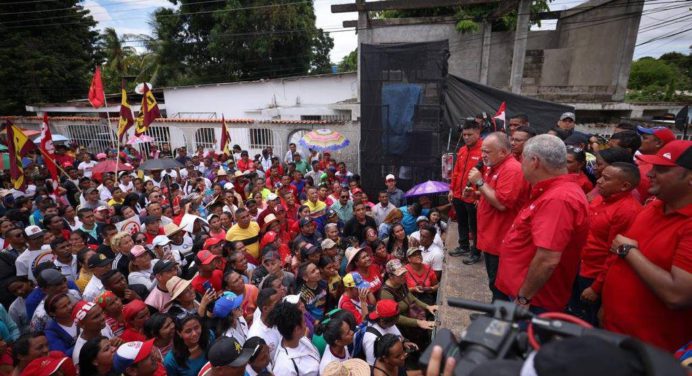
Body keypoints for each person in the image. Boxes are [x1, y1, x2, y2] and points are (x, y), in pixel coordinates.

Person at [601, 140, 692, 351]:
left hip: (651, 350)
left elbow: (678, 295)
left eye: (661, 169)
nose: (650, 174)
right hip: (615, 333)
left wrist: (628, 251)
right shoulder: (653, 206)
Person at [495, 135, 589, 313]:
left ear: (534, 161)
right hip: (522, 292)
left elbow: (548, 259)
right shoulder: (552, 191)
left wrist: (524, 297)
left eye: (522, 159)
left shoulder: (558, 199)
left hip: (534, 302)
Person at [569, 162, 642, 326]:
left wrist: (596, 287)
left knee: (589, 321)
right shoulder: (600, 199)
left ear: (624, 186)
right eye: (601, 176)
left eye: (606, 178)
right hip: (580, 266)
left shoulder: (627, 211)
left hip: (595, 275)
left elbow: (615, 254)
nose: (599, 181)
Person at [467, 132, 526, 295]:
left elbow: (501, 204)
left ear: (502, 152)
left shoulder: (512, 169)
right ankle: (494, 314)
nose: (483, 155)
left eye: (487, 151)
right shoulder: (494, 166)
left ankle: (497, 317)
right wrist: (477, 194)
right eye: (483, 151)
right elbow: (494, 193)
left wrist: (479, 182)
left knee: (499, 284)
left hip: (501, 238)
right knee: (494, 281)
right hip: (491, 235)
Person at [448, 120, 482, 258]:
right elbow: (456, 171)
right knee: (461, 222)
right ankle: (463, 246)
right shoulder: (462, 150)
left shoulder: (484, 150)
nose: (466, 137)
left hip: (473, 195)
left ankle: (476, 252)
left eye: (469, 134)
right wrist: (452, 190)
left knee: (474, 226)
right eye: (464, 134)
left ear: (478, 132)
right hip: (458, 194)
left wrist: (480, 196)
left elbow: (486, 175)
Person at [270, 301, 320, 376]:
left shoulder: (300, 339)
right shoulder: (285, 369)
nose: (306, 324)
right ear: (297, 329)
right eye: (304, 322)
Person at [635, 126, 676, 203]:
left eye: (644, 138)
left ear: (659, 143)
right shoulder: (640, 161)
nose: (640, 141)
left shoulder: (651, 169)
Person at [71, 301, 117, 366]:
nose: (103, 317)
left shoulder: (103, 325)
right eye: (96, 317)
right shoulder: (79, 353)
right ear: (82, 325)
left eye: (102, 312)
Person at [246, 288, 282, 360]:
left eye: (280, 301)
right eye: (277, 304)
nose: (281, 306)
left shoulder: (277, 318)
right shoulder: (256, 335)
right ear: (265, 309)